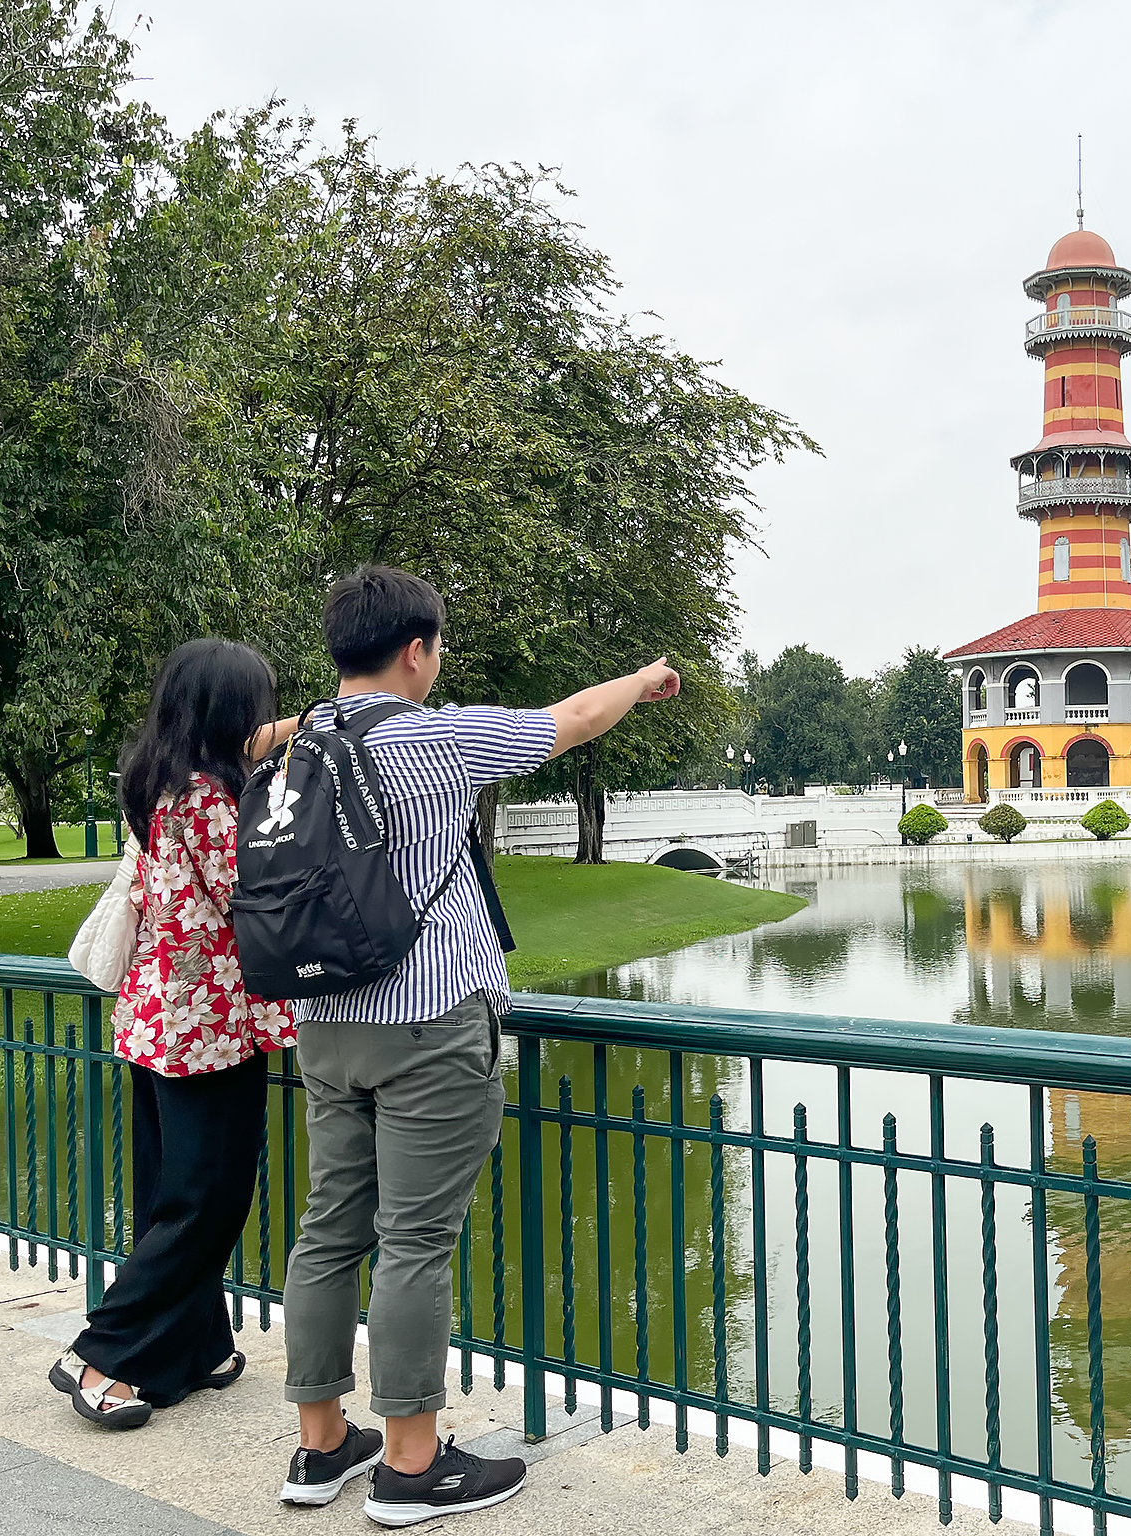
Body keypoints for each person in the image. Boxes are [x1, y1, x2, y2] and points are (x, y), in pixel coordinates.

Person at [279, 565, 678, 1527]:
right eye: (437, 648)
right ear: (416, 651)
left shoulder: (296, 744)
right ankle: (413, 1469)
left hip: (324, 1023)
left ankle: (321, 1446)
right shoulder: (436, 737)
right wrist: (646, 677)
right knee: (414, 1240)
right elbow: (573, 717)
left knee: (329, 1230)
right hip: (428, 1026)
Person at [48, 638, 297, 1429]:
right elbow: (254, 895)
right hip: (209, 1027)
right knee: (207, 1199)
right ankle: (103, 1353)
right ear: (230, 710)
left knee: (173, 1192)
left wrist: (306, 727)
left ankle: (199, 1346)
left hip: (159, 1018)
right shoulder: (210, 799)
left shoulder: (155, 781)